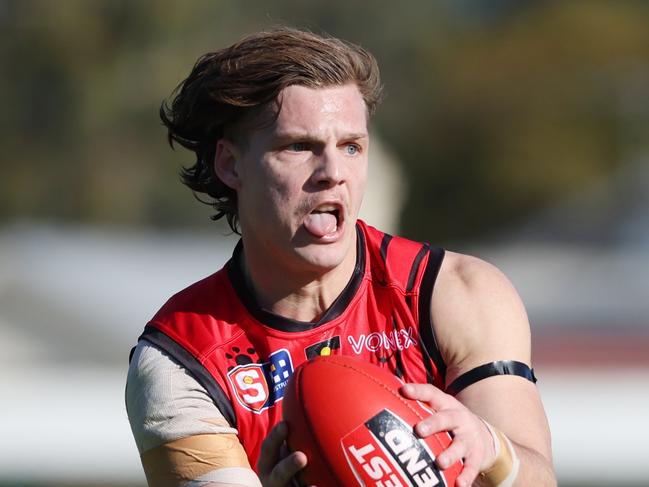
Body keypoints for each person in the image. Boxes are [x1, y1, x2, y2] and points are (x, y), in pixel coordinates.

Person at [126, 27, 555, 487]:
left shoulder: (455, 292)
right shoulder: (181, 362)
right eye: (299, 147)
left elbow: (539, 479)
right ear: (230, 164)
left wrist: (492, 448)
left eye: (351, 146)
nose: (333, 173)